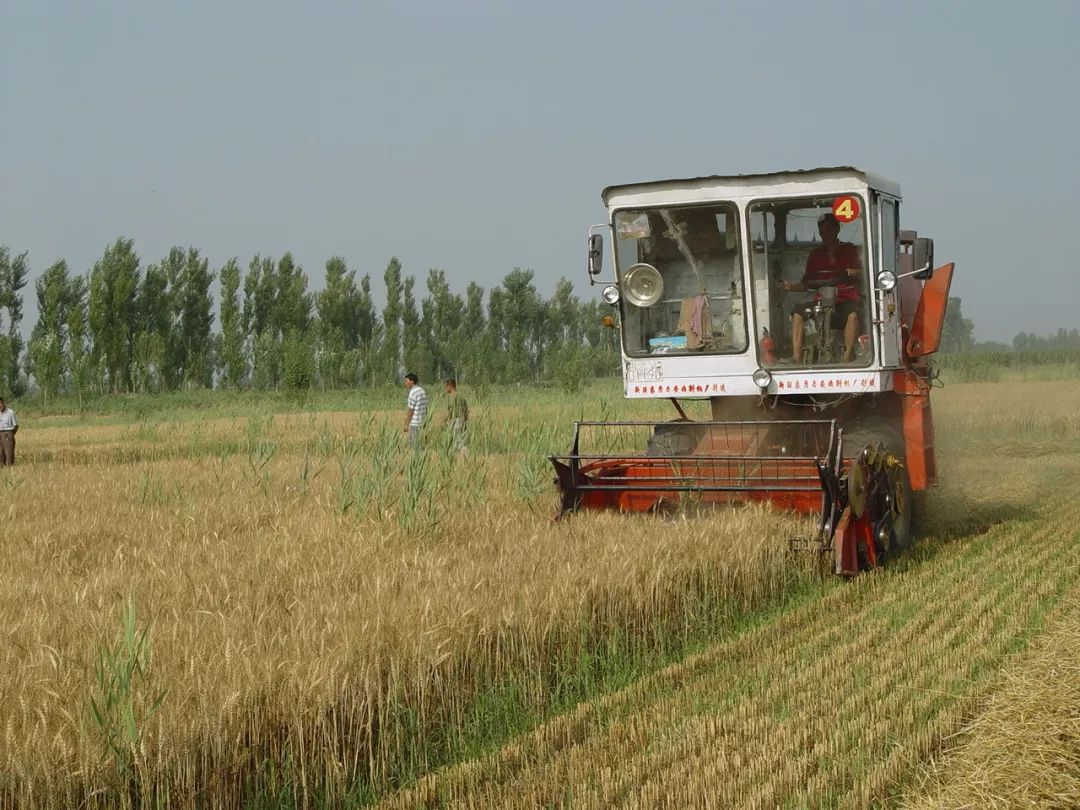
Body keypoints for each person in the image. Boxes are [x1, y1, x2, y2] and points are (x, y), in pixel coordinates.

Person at [781, 213, 863, 363]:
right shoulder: (815, 255)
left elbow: (864, 274)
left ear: (837, 230)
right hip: (821, 300)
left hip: (846, 298)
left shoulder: (851, 250)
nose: (824, 234)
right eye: (822, 232)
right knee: (798, 313)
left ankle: (847, 357)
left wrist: (854, 272)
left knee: (853, 315)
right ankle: (796, 357)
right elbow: (806, 284)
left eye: (828, 230)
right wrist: (789, 286)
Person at [440, 378, 469, 453]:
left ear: (450, 386)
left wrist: (446, 421)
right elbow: (466, 410)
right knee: (460, 438)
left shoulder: (453, 396)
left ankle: (464, 454)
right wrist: (465, 421)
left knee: (457, 440)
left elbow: (451, 411)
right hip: (462, 420)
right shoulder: (461, 396)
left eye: (446, 387)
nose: (445, 389)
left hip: (456, 420)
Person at [402, 372, 428, 448]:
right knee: (420, 444)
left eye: (406, 381)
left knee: (413, 445)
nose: (405, 383)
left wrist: (406, 424)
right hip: (422, 421)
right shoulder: (422, 390)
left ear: (412, 381)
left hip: (415, 423)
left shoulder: (413, 393)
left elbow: (411, 410)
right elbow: (425, 406)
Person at [0, 398, 17, 467]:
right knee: (0, 454)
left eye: (0, 404)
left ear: (4, 403)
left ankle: (10, 471)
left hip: (8, 433)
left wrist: (11, 435)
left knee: (9, 455)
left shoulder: (10, 412)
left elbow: (16, 426)